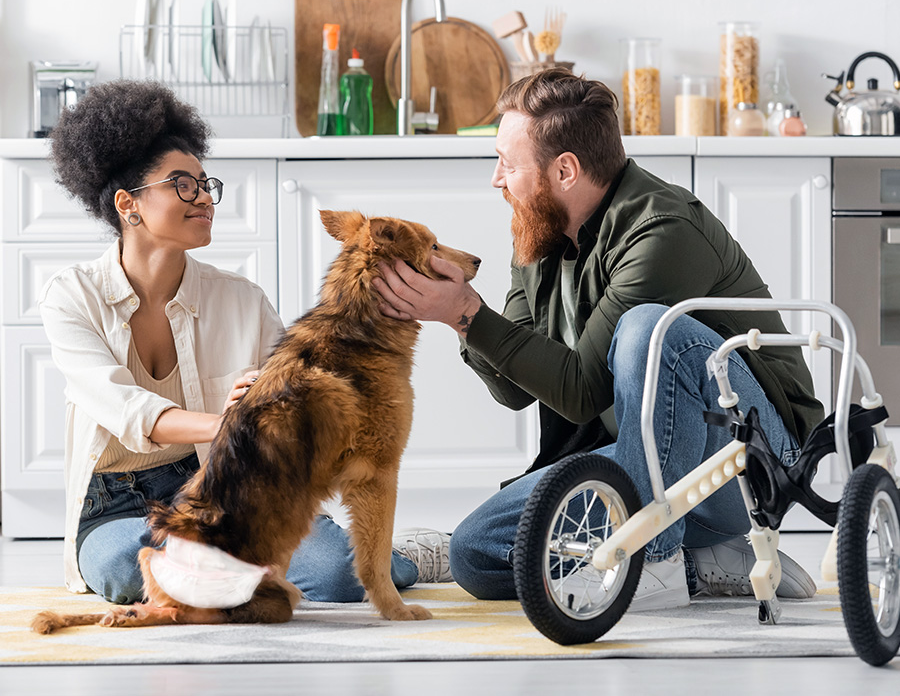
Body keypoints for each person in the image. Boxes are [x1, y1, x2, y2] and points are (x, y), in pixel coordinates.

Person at [373, 69, 823, 610]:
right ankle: (708, 560)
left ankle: (654, 560)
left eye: (508, 164)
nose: (496, 179)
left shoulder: (662, 230)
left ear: (565, 169)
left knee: (651, 330)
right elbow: (515, 390)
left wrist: (468, 311)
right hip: (643, 453)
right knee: (478, 553)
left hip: (749, 460)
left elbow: (582, 392)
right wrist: (458, 318)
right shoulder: (537, 231)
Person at [40, 79, 449, 606]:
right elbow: (125, 408)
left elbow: (292, 405)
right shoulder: (72, 296)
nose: (204, 197)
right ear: (128, 204)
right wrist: (233, 419)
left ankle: (408, 555)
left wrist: (273, 400)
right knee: (129, 572)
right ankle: (223, 573)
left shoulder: (241, 299)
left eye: (206, 184)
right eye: (182, 184)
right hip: (115, 502)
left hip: (229, 486)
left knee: (339, 576)